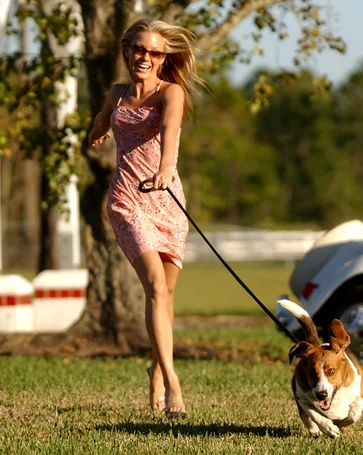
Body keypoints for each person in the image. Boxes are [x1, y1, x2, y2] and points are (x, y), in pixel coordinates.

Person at [88, 18, 204, 419]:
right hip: (127, 201)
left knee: (166, 297)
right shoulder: (118, 95)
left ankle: (156, 368)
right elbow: (103, 117)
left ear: (163, 58)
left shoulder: (170, 93)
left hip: (167, 200)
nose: (146, 58)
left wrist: (164, 168)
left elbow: (170, 135)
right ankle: (173, 383)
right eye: (139, 49)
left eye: (155, 52)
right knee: (155, 288)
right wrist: (97, 132)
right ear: (127, 50)